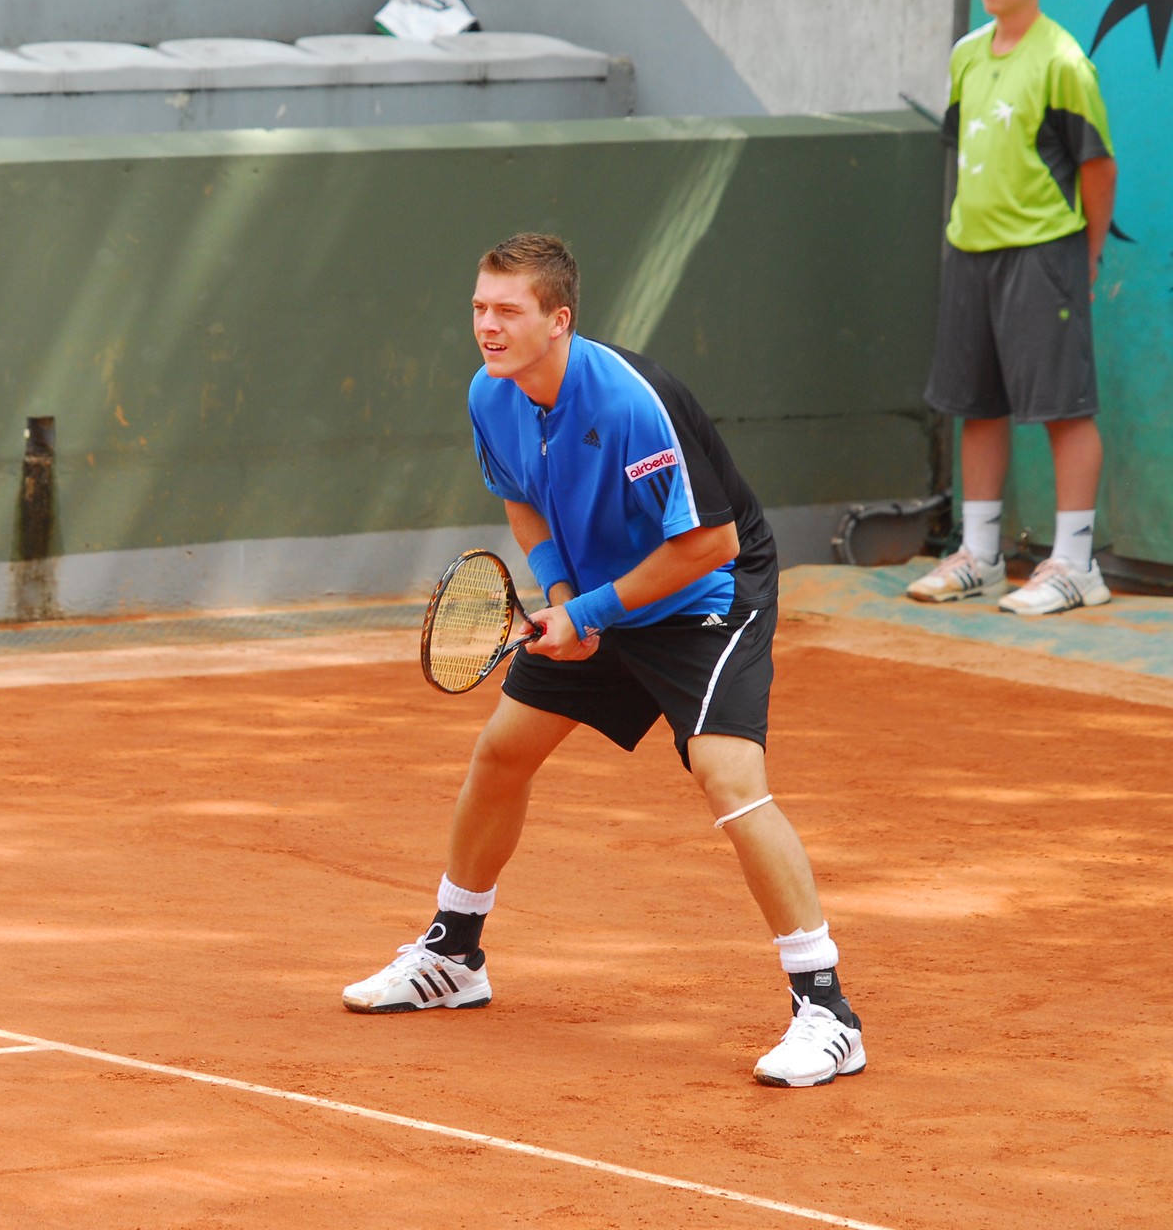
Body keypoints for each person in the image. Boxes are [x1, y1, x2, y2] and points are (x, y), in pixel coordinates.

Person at [341, 234, 864, 1089]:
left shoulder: (631, 403)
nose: (487, 326)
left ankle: (826, 1010)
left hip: (707, 596)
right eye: (479, 307)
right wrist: (557, 594)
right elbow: (522, 500)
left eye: (508, 310)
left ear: (560, 319)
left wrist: (587, 612)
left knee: (728, 779)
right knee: (501, 754)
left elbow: (709, 542)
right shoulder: (491, 393)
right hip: (596, 589)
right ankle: (454, 955)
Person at [907, 0, 1117, 614]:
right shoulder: (967, 53)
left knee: (1064, 407)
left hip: (1043, 252)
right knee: (979, 403)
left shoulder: (1063, 62)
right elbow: (966, 147)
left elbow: (1097, 167)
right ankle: (981, 554)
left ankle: (1075, 564)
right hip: (971, 251)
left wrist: (1085, 257)